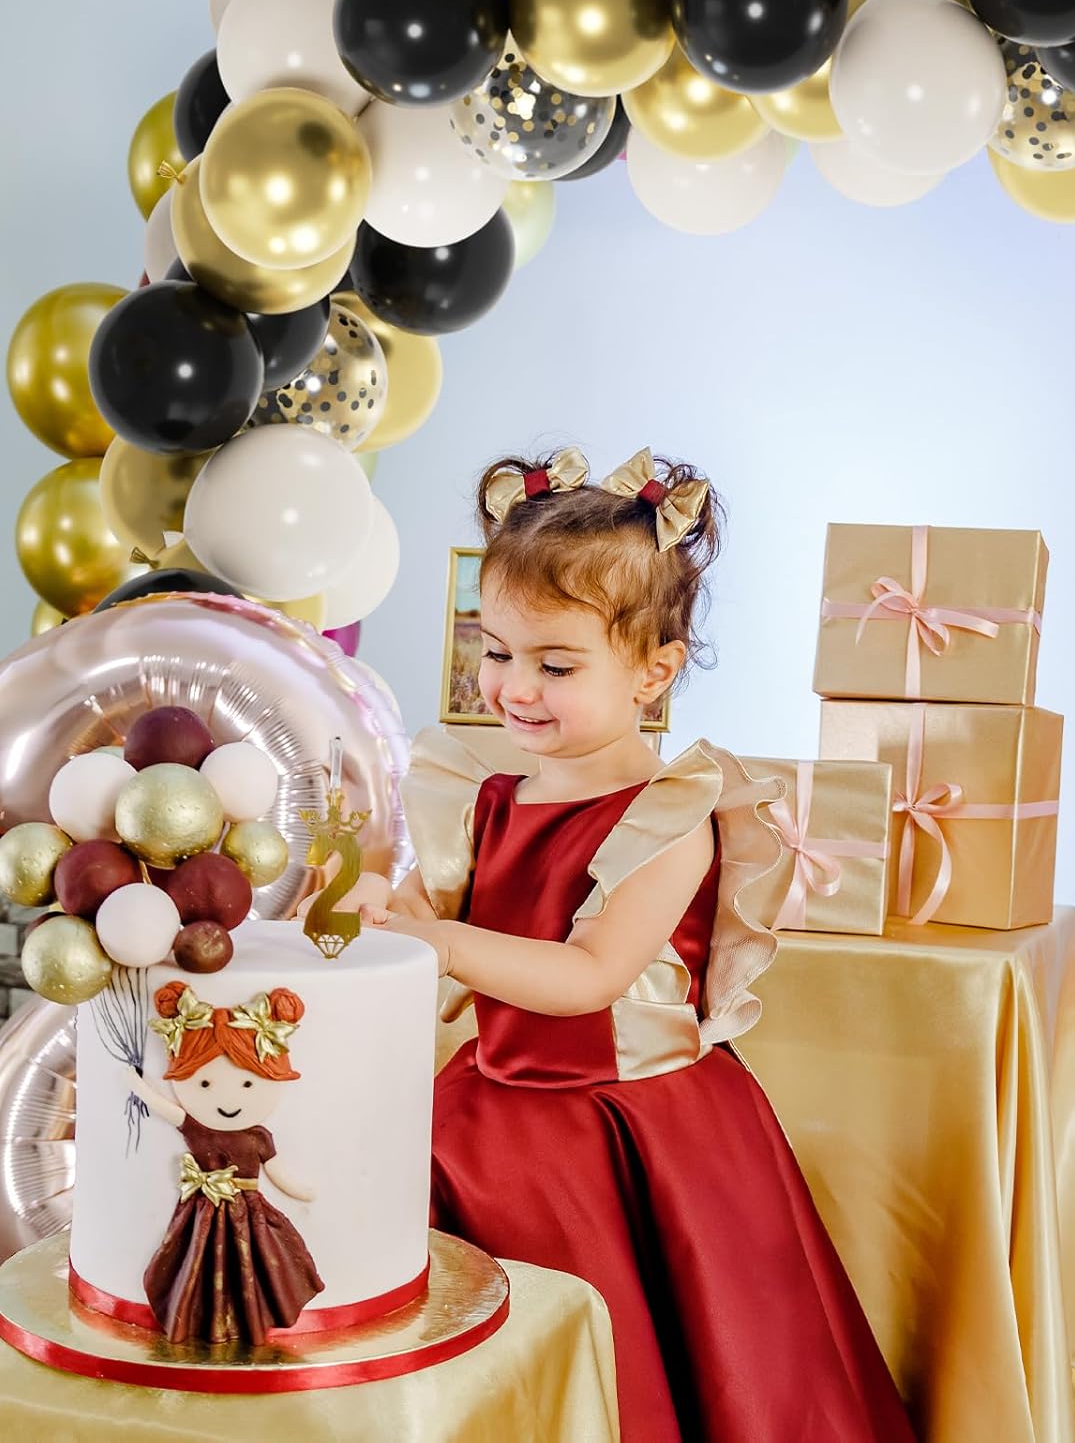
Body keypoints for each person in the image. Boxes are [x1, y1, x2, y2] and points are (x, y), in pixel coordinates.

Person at [358, 445, 915, 1441]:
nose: (514, 687)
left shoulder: (667, 816)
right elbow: (418, 910)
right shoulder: (484, 800)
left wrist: (439, 943)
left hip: (624, 1125)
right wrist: (371, 905)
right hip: (494, 1107)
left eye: (555, 665)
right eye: (497, 651)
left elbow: (591, 976)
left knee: (644, 1353)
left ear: (653, 671)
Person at [126, 981, 323, 1345]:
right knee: (194, 1261)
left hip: (248, 1213)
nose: (228, 1099)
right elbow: (166, 1108)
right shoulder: (197, 1129)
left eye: (248, 1084)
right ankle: (196, 1313)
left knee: (258, 1260)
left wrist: (302, 1190)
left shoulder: (258, 1137)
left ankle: (254, 1315)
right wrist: (136, 1084)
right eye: (204, 1083)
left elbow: (277, 1172)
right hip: (201, 1210)